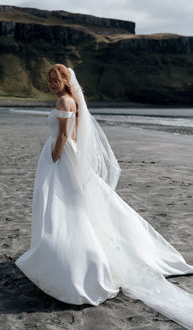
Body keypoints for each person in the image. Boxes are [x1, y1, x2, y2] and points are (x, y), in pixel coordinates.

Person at [15, 64, 193, 329]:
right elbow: (72, 132)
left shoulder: (64, 100)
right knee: (75, 205)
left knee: (63, 207)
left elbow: (64, 135)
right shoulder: (70, 99)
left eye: (57, 79)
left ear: (66, 80)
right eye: (50, 79)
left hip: (59, 156)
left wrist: (54, 159)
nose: (53, 83)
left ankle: (72, 263)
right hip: (66, 155)